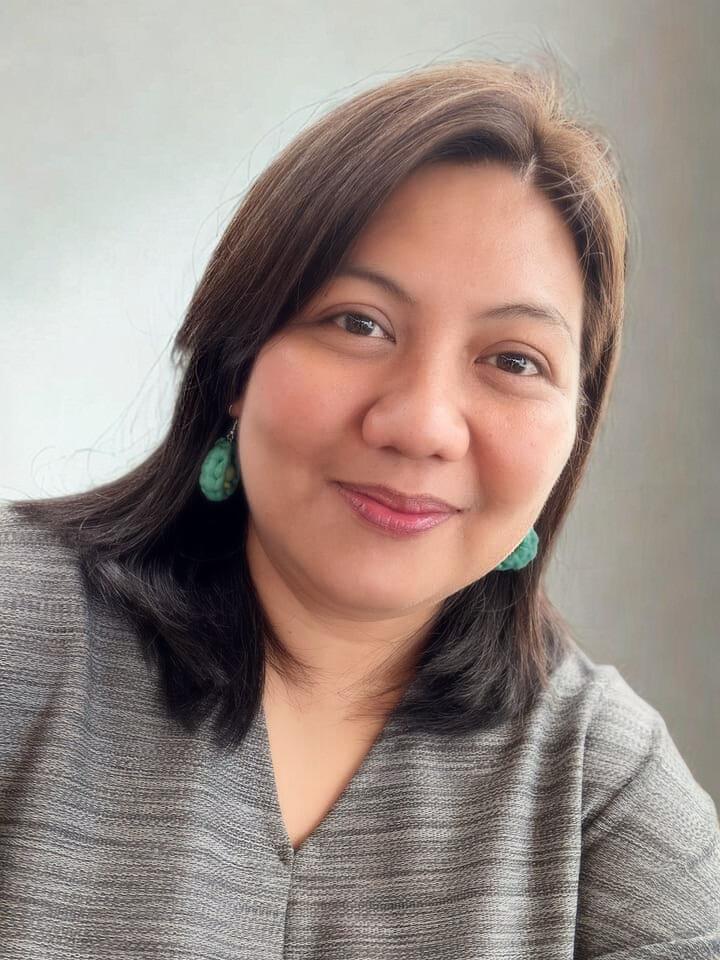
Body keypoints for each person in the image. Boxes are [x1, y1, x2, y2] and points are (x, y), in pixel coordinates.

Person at [0, 57, 718, 960]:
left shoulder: (597, 779)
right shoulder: (19, 629)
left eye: (514, 361)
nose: (421, 425)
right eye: (358, 323)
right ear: (237, 361)